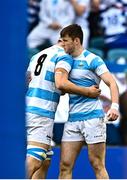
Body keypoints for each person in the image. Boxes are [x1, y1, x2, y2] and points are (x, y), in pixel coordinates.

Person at [26, 39, 101, 179]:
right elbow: (61, 83)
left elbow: (27, 79)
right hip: (42, 112)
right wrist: (87, 92)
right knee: (35, 160)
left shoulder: (37, 55)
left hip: (27, 107)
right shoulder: (64, 56)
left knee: (45, 160)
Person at [58, 24, 119, 179]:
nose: (62, 44)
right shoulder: (65, 61)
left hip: (93, 118)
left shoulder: (92, 59)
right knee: (65, 166)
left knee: (97, 164)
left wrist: (114, 107)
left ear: (76, 41)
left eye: (65, 41)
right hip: (72, 119)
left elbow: (112, 83)